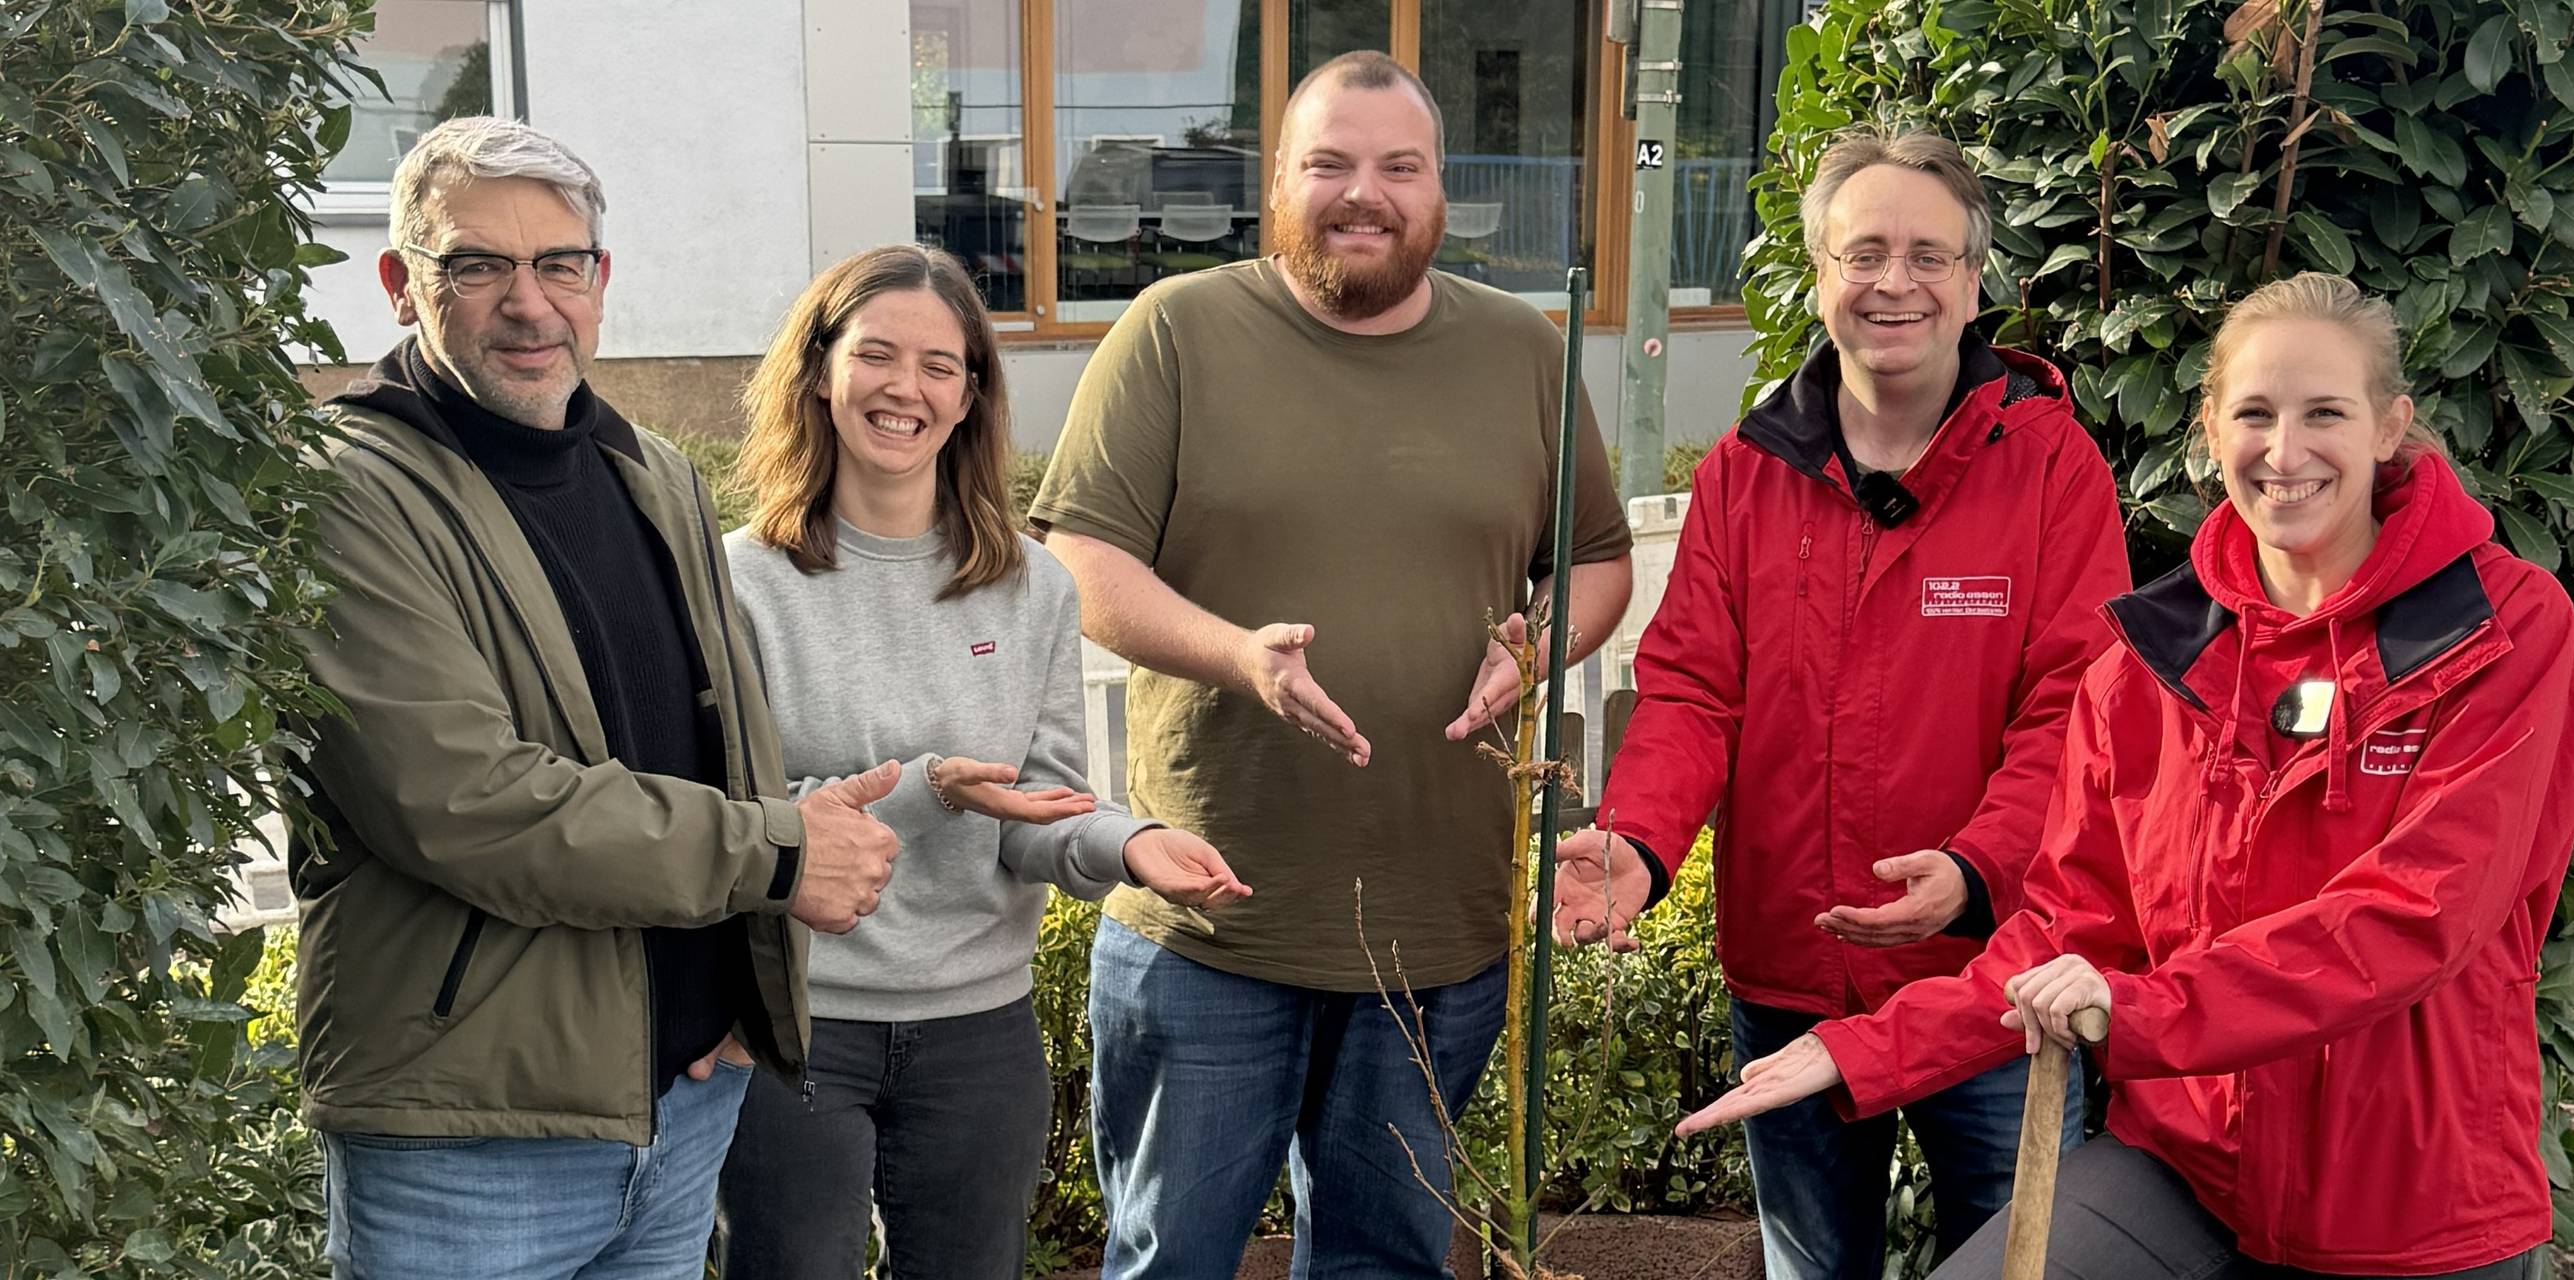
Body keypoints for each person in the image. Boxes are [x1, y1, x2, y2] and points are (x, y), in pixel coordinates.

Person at [1678, 273, 2574, 1280]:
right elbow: (2061, 929)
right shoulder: (2149, 664)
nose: (2283, 452)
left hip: (2406, 1199)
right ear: (2209, 429)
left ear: (2389, 426)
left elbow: (2411, 917)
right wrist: (1861, 1046)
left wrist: (2138, 1010)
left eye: (2323, 413)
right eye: (2252, 413)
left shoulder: (2500, 634)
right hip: (2185, 1166)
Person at [1031, 50, 1633, 1278]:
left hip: (1440, 935)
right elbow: (1081, 566)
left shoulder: (1518, 349)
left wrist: (1536, 639)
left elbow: (1598, 564)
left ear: (1440, 191)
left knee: (1387, 1262)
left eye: (1397, 168)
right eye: (1330, 164)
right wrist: (1236, 654)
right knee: (1169, 1259)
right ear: (1277, 183)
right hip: (1209, 922)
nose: (1364, 194)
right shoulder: (1177, 331)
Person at [290, 117, 903, 1279]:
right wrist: (776, 853)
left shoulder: (649, 469)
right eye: (477, 265)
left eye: (559, 262)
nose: (529, 302)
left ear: (599, 278)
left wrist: (741, 989)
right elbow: (461, 800)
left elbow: (719, 742)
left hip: (677, 1108)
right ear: (402, 286)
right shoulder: (345, 491)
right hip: (469, 1136)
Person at [1550, 127, 2128, 1274]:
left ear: (1973, 283)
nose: (1893, 282)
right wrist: (1639, 842)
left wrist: (1971, 873)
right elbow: (1691, 689)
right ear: (1819, 274)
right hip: (1790, 973)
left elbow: (2074, 716)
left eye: (1927, 254)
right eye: (1862, 252)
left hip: (1993, 983)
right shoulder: (1744, 472)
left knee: (2014, 1261)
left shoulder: (2053, 470)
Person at [710, 244, 1251, 1279]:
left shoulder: (1031, 586)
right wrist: (929, 787)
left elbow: (1034, 812)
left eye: (938, 365)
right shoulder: (742, 580)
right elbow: (727, 816)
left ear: (968, 397)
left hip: (978, 1031)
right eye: (875, 354)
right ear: (820, 372)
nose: (903, 388)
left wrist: (1131, 841)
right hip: (795, 1023)